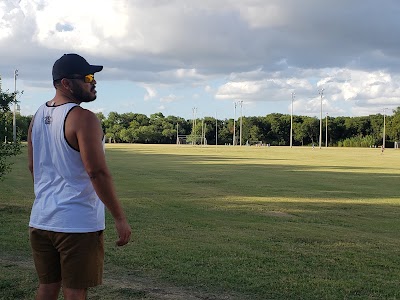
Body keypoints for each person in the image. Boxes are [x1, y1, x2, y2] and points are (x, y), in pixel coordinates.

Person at [27, 53, 132, 300]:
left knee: (47, 287)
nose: (93, 82)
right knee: (75, 290)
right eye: (87, 77)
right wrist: (119, 218)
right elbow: (96, 172)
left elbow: (33, 166)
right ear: (66, 83)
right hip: (76, 223)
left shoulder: (37, 117)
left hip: (41, 219)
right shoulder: (83, 118)